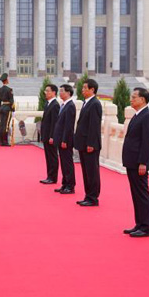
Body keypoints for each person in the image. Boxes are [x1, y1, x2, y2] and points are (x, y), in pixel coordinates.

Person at [122, 87, 149, 237]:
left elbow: (146, 141)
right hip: (131, 161)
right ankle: (139, 223)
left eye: (134, 97)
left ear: (142, 99)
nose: (131, 99)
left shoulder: (147, 116)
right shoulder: (137, 115)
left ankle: (146, 226)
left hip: (138, 162)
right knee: (135, 193)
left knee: (141, 193)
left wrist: (143, 162)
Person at [74, 79, 102, 207]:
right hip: (83, 143)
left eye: (85, 88)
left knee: (92, 172)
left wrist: (91, 143)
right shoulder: (87, 103)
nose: (82, 90)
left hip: (90, 144)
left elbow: (94, 126)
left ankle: (93, 197)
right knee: (86, 171)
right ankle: (88, 195)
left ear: (92, 89)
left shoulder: (95, 104)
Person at [52, 84, 76, 194]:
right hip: (60, 138)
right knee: (63, 162)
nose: (60, 93)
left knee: (67, 163)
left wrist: (65, 140)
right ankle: (64, 183)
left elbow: (69, 126)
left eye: (62, 91)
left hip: (65, 140)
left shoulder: (70, 105)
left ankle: (70, 186)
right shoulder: (63, 105)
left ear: (68, 93)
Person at [39, 84, 60, 184]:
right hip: (46, 135)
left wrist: (52, 136)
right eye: (45, 91)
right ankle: (49, 176)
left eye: (48, 91)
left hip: (51, 136)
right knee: (48, 157)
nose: (46, 93)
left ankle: (53, 177)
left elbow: (54, 123)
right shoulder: (48, 104)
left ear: (54, 93)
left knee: (52, 156)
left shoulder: (55, 105)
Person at [0, 73, 14, 146]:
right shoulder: (9, 90)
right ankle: (5, 142)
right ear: (6, 80)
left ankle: (1, 141)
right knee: (6, 125)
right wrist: (13, 109)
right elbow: (11, 101)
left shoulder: (0, 89)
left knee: (1, 125)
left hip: (2, 107)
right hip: (7, 108)